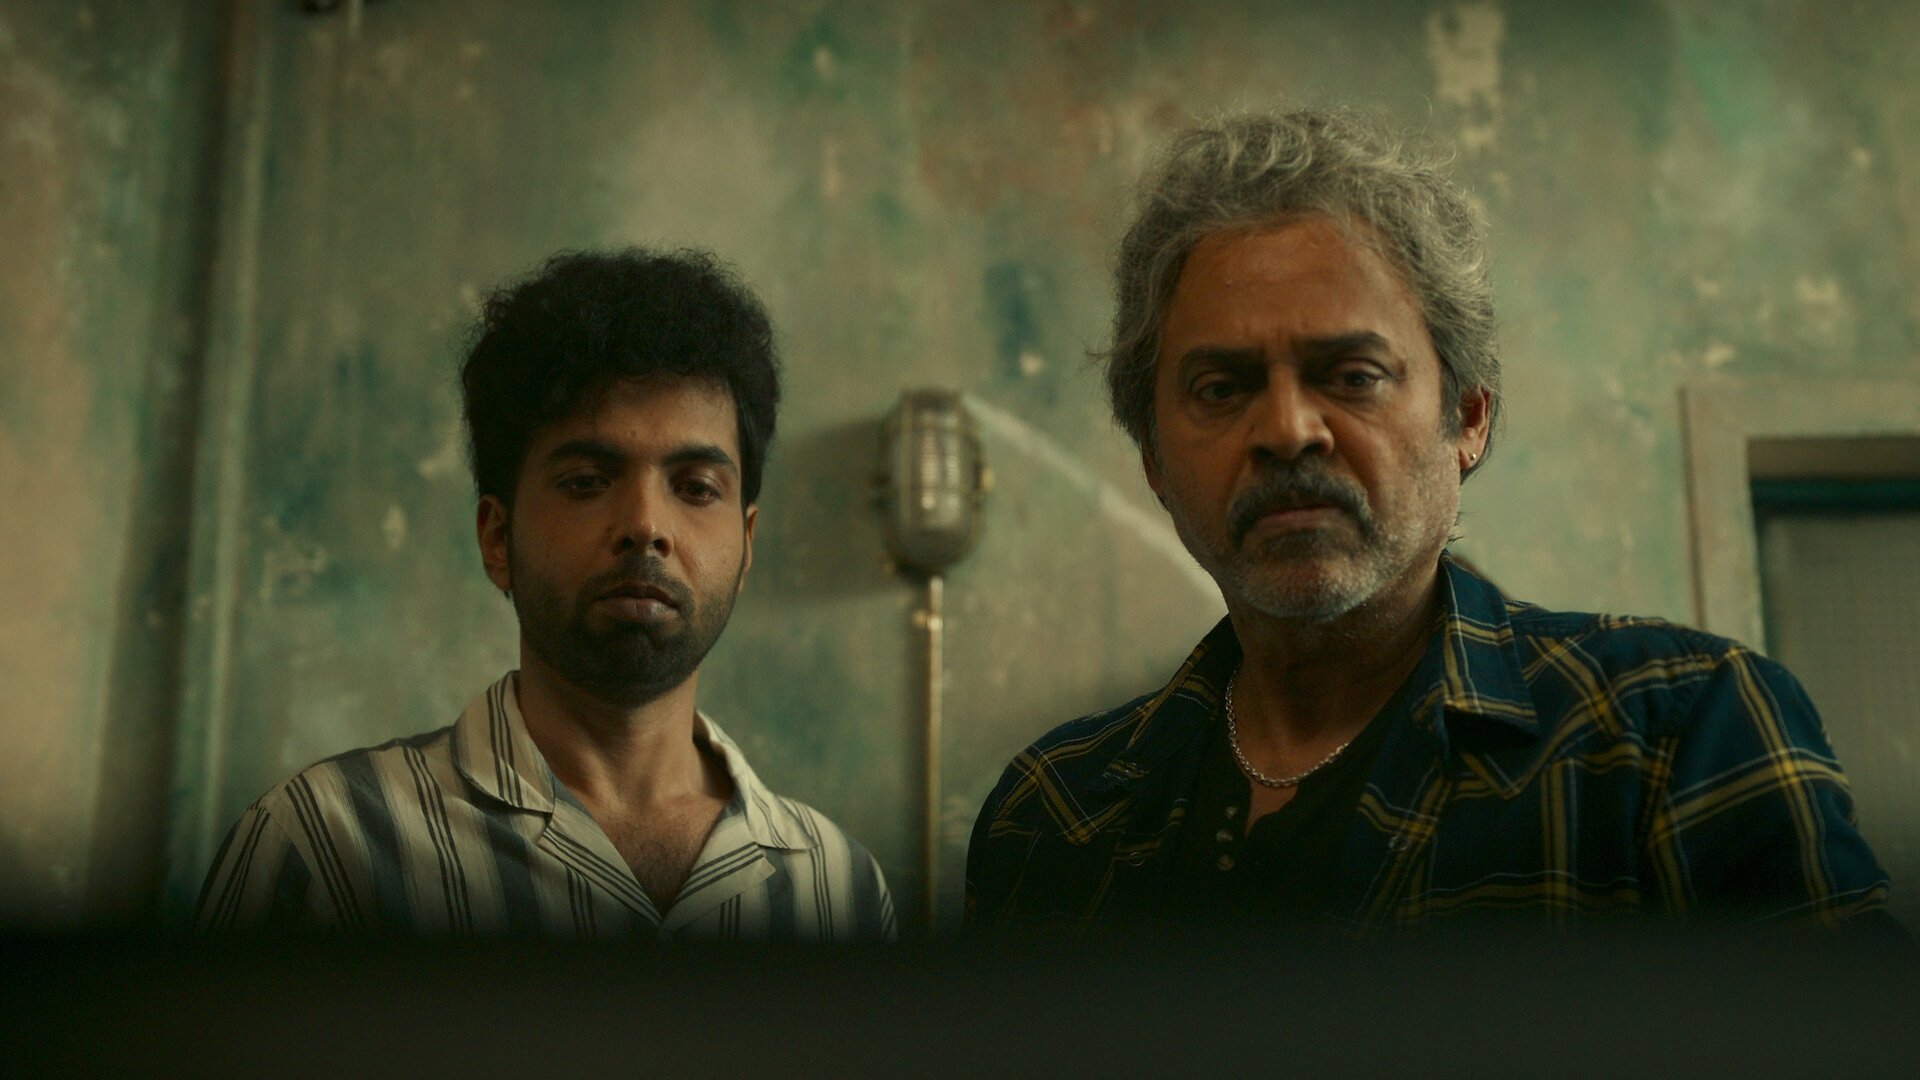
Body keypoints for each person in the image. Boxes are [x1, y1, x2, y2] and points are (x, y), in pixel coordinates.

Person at [965, 109, 1894, 936]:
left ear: (1469, 419)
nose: (1288, 430)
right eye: (1220, 388)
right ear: (1155, 463)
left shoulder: (1675, 732)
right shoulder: (1052, 814)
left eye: (1353, 375)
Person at [198, 249, 895, 941]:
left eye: (695, 488)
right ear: (497, 539)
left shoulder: (838, 888)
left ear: (746, 544)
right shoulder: (325, 848)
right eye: (587, 482)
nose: (646, 525)